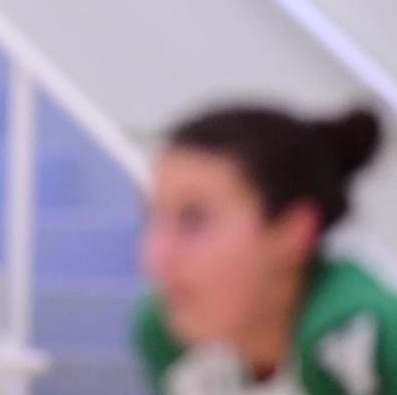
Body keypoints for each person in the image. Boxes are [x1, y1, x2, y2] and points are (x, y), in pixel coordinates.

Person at [135, 103, 397, 394]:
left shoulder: (367, 334)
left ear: (294, 232)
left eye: (194, 220)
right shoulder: (164, 335)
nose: (158, 254)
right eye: (152, 217)